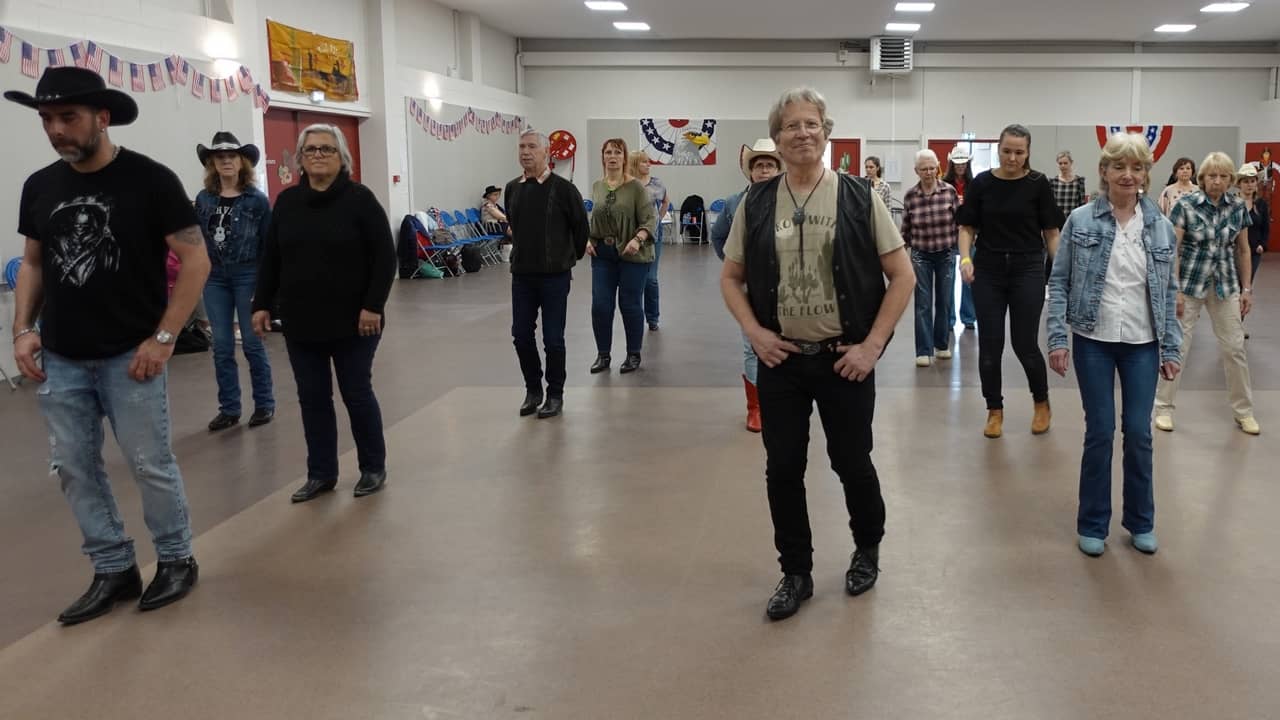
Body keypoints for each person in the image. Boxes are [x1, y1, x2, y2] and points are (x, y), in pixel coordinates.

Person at [8, 67, 208, 623]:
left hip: (132, 355)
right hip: (63, 358)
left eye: (67, 117)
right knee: (74, 466)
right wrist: (23, 329)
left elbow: (195, 260)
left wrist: (165, 337)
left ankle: (176, 558)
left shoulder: (150, 180)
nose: (55, 130)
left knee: (149, 462)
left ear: (102, 117)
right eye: (47, 119)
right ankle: (114, 567)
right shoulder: (41, 185)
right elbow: (32, 263)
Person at [720, 87, 914, 621]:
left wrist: (873, 345)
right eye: (791, 126)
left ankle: (867, 548)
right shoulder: (755, 204)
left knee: (851, 461)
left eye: (812, 124)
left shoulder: (858, 197)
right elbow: (731, 278)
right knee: (782, 467)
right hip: (782, 361)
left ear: (826, 132)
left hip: (844, 360)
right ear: (777, 139)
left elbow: (902, 276)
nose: (802, 133)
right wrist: (755, 332)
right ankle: (796, 571)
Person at [1046, 132, 1182, 558]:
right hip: (1094, 340)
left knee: (1140, 433)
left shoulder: (1159, 226)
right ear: (1104, 171)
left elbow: (1168, 287)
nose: (1128, 175)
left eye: (1137, 167)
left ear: (1146, 174)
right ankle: (1092, 523)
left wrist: (1171, 348)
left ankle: (1141, 522)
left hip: (1143, 342)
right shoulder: (1081, 220)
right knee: (1100, 431)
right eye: (1119, 166)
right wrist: (1056, 338)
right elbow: (1059, 282)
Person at [252, 124, 397, 502]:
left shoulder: (360, 200)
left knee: (356, 392)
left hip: (356, 321)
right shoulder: (286, 203)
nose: (318, 155)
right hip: (302, 320)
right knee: (312, 398)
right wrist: (262, 303)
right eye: (311, 149)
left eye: (327, 149)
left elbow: (385, 257)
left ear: (342, 158)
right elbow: (272, 257)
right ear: (300, 158)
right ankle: (321, 473)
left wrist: (373, 306)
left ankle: (372, 467)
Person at [957, 124, 1063, 439]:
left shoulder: (1038, 184)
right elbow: (967, 228)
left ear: (1027, 153)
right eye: (1006, 151)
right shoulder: (982, 184)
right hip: (988, 269)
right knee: (989, 346)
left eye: (1019, 152)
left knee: (1024, 344)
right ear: (999, 149)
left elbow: (1051, 233)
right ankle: (994, 410)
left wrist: (1059, 271)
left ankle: (1041, 402)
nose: (1012, 157)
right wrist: (965, 259)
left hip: (1027, 268)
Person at [1154, 152, 1260, 435]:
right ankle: (1163, 407)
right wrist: (1173, 289)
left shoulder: (1238, 207)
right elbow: (1173, 250)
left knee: (1235, 347)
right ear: (1202, 178)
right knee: (1178, 346)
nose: (1217, 181)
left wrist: (1247, 289)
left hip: (1225, 285)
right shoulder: (1186, 206)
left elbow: (1244, 250)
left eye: (1224, 176)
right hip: (1189, 284)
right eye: (1212, 175)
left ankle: (1244, 411)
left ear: (1231, 180)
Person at [504, 130, 589, 419]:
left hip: (555, 277)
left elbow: (581, 229)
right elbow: (514, 222)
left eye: (531, 147)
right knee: (521, 335)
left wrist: (568, 258)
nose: (525, 152)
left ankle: (555, 394)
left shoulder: (564, 189)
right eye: (521, 147)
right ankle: (533, 389)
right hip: (522, 276)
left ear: (546, 153)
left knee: (553, 339)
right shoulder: (512, 188)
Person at [194, 132, 275, 432]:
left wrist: (267, 287)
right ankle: (229, 408)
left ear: (242, 162)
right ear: (213, 164)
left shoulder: (257, 200)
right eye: (220, 157)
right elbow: (197, 238)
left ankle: (264, 403)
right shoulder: (204, 199)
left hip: (248, 275)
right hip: (215, 277)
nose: (226, 161)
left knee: (253, 344)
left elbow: (269, 244)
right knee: (222, 346)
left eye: (231, 157)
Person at [710, 139, 784, 432]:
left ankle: (782, 402)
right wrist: (733, 267)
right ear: (750, 171)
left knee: (784, 344)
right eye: (759, 165)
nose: (764, 170)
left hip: (787, 284)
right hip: (750, 286)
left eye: (769, 165)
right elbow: (718, 237)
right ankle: (756, 407)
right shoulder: (733, 203)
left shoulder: (791, 200)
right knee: (752, 346)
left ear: (778, 169)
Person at [587, 139, 656, 374]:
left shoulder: (636, 187)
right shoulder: (597, 186)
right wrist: (588, 239)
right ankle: (603, 355)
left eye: (617, 152)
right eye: (608, 152)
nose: (612, 156)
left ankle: (633, 354)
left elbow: (649, 219)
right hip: (603, 254)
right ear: (603, 157)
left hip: (632, 254)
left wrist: (638, 239)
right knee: (601, 305)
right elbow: (594, 219)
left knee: (629, 303)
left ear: (624, 157)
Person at [900, 148, 960, 366]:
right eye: (923, 168)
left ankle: (942, 345)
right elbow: (905, 228)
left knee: (944, 301)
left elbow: (959, 223)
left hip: (945, 252)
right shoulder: (910, 196)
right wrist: (902, 256)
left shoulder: (949, 192)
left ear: (938, 168)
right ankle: (923, 350)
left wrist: (961, 253)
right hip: (920, 254)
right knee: (923, 303)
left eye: (932, 168)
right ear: (916, 171)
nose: (928, 172)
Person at [629, 151, 669, 331]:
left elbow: (666, 202)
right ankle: (634, 315)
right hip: (632, 234)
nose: (648, 165)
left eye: (648, 162)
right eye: (644, 162)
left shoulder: (657, 183)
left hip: (654, 234)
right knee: (635, 278)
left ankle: (653, 318)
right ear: (635, 164)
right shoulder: (628, 183)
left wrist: (658, 220)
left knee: (651, 279)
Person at [945, 145, 978, 332]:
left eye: (963, 163)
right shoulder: (944, 184)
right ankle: (949, 320)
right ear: (952, 164)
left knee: (969, 277)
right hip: (949, 237)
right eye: (957, 164)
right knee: (948, 280)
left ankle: (968, 317)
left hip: (970, 237)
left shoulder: (975, 185)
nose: (960, 167)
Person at [1236, 163, 1270, 284]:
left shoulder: (1261, 204)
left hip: (1254, 251)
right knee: (1235, 283)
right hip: (1235, 250)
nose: (1249, 184)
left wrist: (1263, 244)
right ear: (1239, 184)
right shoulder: (1232, 202)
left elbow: (1266, 228)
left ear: (1256, 183)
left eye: (1252, 181)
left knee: (1246, 282)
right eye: (1246, 181)